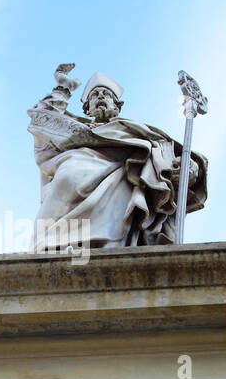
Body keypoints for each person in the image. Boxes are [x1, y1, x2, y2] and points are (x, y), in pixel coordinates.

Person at [27, 67, 207, 250]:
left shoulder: (134, 131)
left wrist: (189, 165)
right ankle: (48, 246)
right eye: (95, 95)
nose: (100, 97)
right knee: (68, 174)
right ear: (87, 108)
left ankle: (110, 245)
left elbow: (165, 148)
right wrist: (63, 89)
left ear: (117, 106)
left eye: (106, 94)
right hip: (73, 167)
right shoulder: (73, 128)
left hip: (123, 172)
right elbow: (42, 120)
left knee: (126, 176)